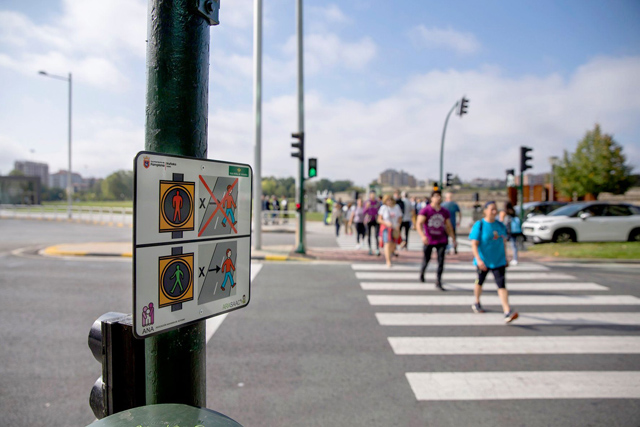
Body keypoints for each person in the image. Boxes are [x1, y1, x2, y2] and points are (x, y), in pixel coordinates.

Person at [470, 201, 518, 323]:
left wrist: (506, 257)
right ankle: (476, 301)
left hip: (498, 261)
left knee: (501, 285)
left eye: (495, 209)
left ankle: (507, 311)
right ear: (485, 211)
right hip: (484, 261)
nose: (494, 212)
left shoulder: (500, 225)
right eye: (491, 209)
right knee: (479, 282)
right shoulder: (479, 225)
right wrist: (478, 259)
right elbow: (474, 244)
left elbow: (503, 241)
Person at [416, 190, 456, 291]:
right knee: (427, 258)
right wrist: (422, 236)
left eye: (439, 196)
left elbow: (448, 225)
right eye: (436, 196)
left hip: (441, 239)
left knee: (441, 261)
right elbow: (418, 223)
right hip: (429, 239)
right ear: (432, 198)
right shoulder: (426, 210)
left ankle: (438, 281)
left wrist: (453, 238)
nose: (438, 198)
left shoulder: (444, 211)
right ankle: (422, 273)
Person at [377, 195, 403, 268]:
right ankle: (388, 260)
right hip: (386, 228)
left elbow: (400, 217)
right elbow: (379, 219)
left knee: (393, 244)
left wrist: (398, 225)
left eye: (391, 200)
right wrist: (386, 223)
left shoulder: (397, 207)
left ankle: (390, 254)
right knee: (387, 243)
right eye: (388, 200)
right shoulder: (383, 208)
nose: (390, 201)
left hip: (395, 228)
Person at [364, 191, 381, 256]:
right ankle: (370, 249)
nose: (373, 196)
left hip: (376, 220)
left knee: (376, 235)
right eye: (371, 194)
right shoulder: (367, 202)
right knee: (369, 234)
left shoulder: (377, 203)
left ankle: (377, 249)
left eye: (374, 194)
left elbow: (380, 211)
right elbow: (364, 212)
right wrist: (367, 207)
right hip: (369, 220)